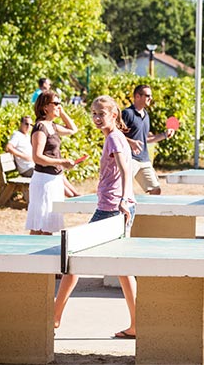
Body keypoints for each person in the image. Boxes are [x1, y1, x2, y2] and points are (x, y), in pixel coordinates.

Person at [54, 95, 137, 338]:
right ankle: (136, 323)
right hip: (116, 206)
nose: (97, 118)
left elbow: (124, 168)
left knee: (73, 258)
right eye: (94, 113)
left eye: (102, 113)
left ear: (114, 115)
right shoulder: (116, 137)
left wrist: (123, 200)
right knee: (123, 268)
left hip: (111, 209)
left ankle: (54, 318)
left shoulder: (113, 138)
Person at [25, 91, 78, 235]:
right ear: (45, 107)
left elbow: (73, 129)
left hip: (53, 180)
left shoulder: (52, 126)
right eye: (55, 103)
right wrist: (62, 162)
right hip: (43, 181)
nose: (58, 106)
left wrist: (62, 113)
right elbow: (37, 157)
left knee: (49, 225)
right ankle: (32, 256)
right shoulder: (40, 127)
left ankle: (39, 257)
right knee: (39, 226)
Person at [6, 115, 80, 197]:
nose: (28, 127)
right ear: (21, 124)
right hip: (27, 168)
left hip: (34, 165)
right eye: (26, 124)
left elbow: (73, 130)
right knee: (53, 173)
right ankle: (71, 195)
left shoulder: (27, 135)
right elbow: (8, 147)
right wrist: (24, 156)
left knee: (59, 173)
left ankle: (75, 194)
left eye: (30, 125)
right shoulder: (17, 135)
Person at [121, 84, 175, 195]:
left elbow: (145, 139)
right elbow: (115, 135)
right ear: (137, 96)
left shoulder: (146, 115)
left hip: (144, 160)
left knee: (155, 190)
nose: (151, 98)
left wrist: (164, 135)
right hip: (129, 159)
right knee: (123, 191)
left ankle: (146, 213)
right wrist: (131, 142)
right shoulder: (127, 113)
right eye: (147, 95)